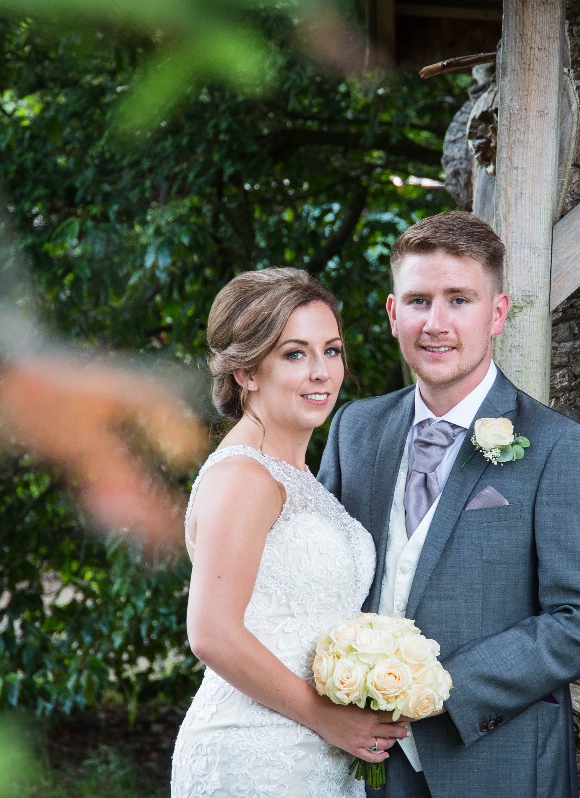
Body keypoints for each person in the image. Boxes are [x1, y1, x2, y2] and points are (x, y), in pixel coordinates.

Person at [318, 212, 580, 797]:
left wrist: (436, 689)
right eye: (417, 301)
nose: (435, 323)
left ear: (498, 313)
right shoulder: (354, 430)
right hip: (357, 763)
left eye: (459, 299)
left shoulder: (561, 448)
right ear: (391, 314)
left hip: (495, 762)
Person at [171, 268, 408, 798]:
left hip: (316, 756)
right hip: (255, 754)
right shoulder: (243, 476)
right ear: (247, 373)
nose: (322, 372)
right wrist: (328, 718)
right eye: (295, 354)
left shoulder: (298, 476)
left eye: (332, 350)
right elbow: (211, 632)